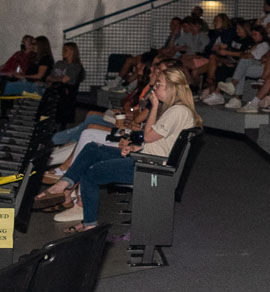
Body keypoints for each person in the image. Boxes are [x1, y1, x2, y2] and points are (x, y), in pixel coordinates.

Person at [49, 66, 201, 231]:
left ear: (172, 88)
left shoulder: (177, 111)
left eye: (159, 84)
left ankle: (89, 223)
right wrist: (135, 147)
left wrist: (154, 106)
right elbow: (161, 142)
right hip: (147, 158)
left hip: (150, 167)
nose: (154, 87)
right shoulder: (176, 109)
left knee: (90, 173)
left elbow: (148, 136)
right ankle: (65, 184)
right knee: (92, 149)